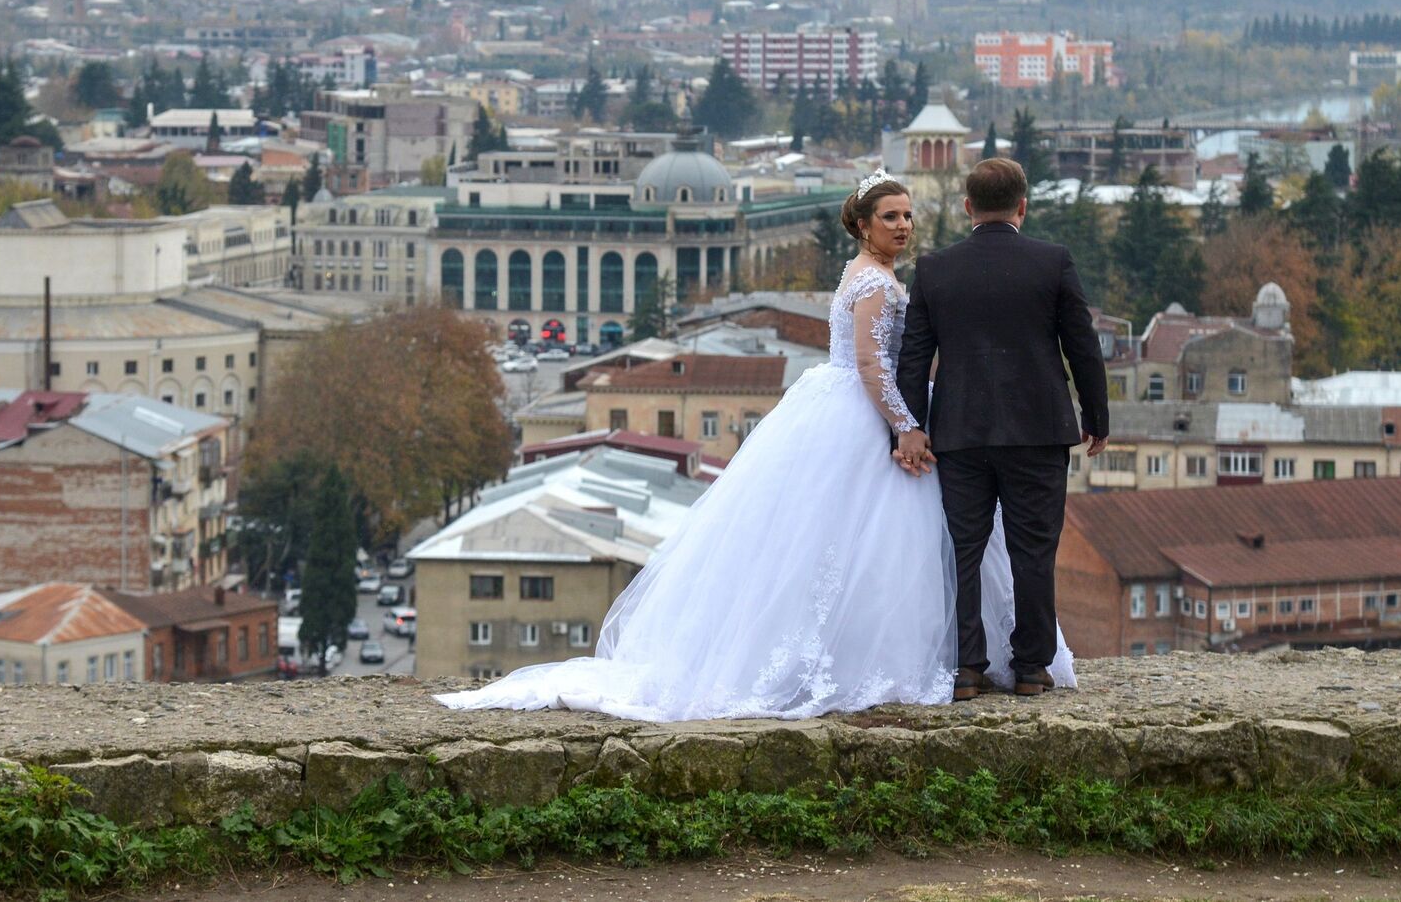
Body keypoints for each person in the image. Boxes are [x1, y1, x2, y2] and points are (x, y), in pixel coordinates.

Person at [436, 172, 1072, 722]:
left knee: (840, 543)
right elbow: (876, 369)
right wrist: (905, 427)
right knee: (880, 542)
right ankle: (904, 657)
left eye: (908, 215)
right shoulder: (877, 285)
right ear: (861, 225)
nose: (903, 225)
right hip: (866, 410)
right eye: (890, 216)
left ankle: (927, 655)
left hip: (843, 408)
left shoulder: (868, 274)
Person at [894, 157, 1108, 699]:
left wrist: (910, 427)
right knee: (1033, 550)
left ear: (967, 207)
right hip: (1038, 430)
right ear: (1022, 206)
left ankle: (968, 667)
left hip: (960, 432)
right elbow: (1082, 345)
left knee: (966, 550)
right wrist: (1097, 418)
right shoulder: (1052, 262)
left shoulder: (936, 269)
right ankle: (1032, 667)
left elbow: (914, 360)